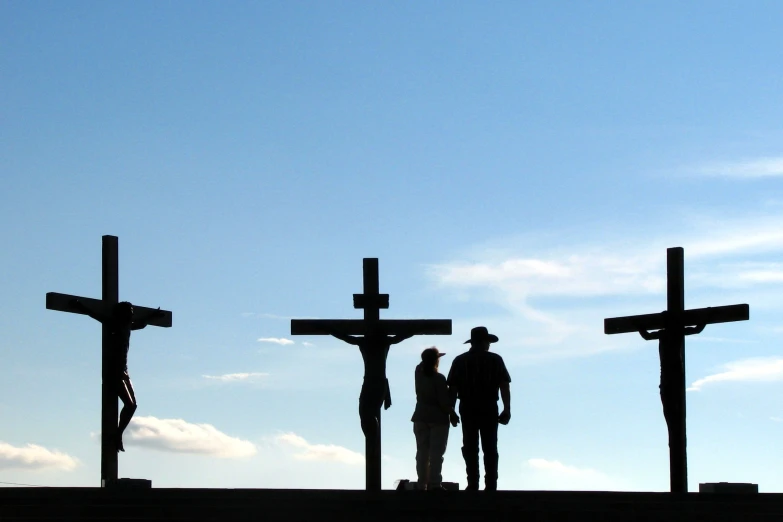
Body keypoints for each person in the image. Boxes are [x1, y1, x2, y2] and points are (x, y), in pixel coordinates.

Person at [70, 299, 163, 452]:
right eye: (130, 312)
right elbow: (94, 314)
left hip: (124, 371)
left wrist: (152, 315)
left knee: (133, 405)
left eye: (132, 312)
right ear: (122, 313)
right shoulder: (113, 324)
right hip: (114, 371)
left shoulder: (128, 327)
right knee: (130, 405)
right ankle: (117, 435)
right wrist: (81, 306)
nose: (132, 314)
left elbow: (141, 323)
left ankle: (118, 434)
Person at [638, 315, 705, 489]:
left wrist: (639, 325)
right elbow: (697, 328)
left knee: (671, 411)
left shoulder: (667, 333)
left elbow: (646, 335)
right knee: (671, 411)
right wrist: (705, 317)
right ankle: (673, 434)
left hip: (671, 378)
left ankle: (673, 434)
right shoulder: (671, 332)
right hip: (670, 378)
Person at [447, 326, 511, 491]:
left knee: (470, 446)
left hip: (467, 406)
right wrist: (507, 408)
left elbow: (452, 388)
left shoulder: (460, 361)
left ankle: (473, 483)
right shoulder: (496, 360)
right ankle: (491, 485)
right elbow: (504, 386)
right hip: (489, 406)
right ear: (484, 342)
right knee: (490, 446)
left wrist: (451, 410)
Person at [328, 329, 412, 440]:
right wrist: (418, 328)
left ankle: (372, 440)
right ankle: (372, 439)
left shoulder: (366, 341)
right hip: (376, 382)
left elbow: (343, 336)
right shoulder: (383, 341)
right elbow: (403, 335)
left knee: (366, 413)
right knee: (367, 413)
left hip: (373, 382)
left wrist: (328, 328)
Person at [411, 347, 460, 491]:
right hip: (438, 419)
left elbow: (420, 366)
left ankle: (422, 483)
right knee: (436, 453)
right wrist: (452, 413)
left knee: (422, 452)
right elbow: (443, 401)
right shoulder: (439, 378)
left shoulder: (418, 374)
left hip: (420, 416)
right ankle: (434, 483)